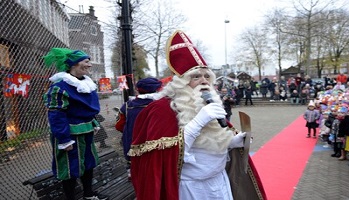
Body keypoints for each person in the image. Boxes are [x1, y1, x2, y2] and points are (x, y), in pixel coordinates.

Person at [128, 30, 265, 200]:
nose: (204, 81)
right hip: (190, 188)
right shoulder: (161, 109)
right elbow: (163, 158)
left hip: (219, 181)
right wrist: (199, 121)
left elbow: (209, 143)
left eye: (207, 76)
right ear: (181, 81)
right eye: (196, 76)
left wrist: (231, 142)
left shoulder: (209, 102)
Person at [43, 48, 108, 200]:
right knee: (70, 167)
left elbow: (83, 110)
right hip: (69, 135)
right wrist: (64, 140)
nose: (90, 65)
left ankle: (88, 194)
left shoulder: (87, 84)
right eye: (86, 61)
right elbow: (56, 115)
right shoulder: (60, 87)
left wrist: (93, 122)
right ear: (74, 64)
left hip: (87, 131)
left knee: (88, 163)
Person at [118, 77, 162, 179]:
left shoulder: (127, 106)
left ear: (138, 89)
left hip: (132, 145)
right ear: (158, 89)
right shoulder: (161, 105)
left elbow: (119, 125)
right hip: (154, 146)